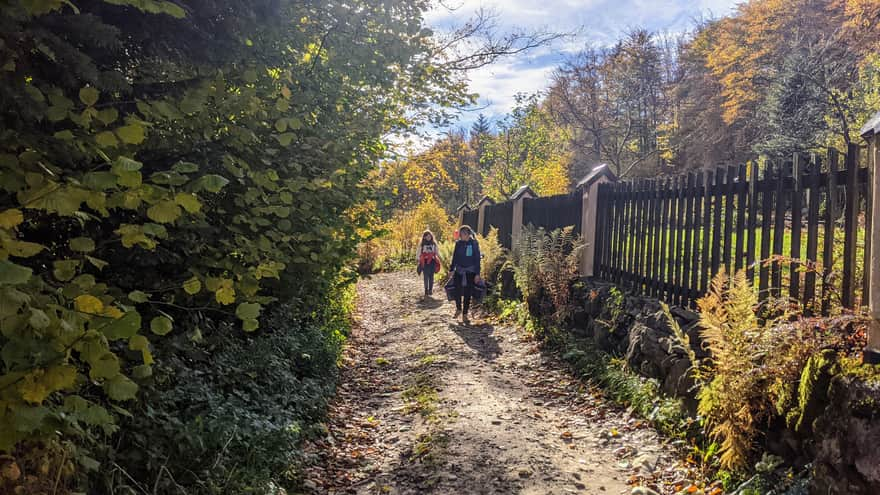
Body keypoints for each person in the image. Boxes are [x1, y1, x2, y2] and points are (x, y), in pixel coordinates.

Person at [449, 225, 481, 324]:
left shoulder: (474, 243)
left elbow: (477, 259)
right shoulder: (458, 244)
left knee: (467, 293)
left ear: (469, 234)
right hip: (459, 270)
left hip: (470, 272)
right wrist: (451, 269)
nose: (463, 236)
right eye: (461, 234)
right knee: (457, 291)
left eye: (465, 234)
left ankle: (465, 314)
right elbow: (455, 257)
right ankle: (458, 308)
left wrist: (477, 273)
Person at [416, 230, 442, 297]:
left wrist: (441, 258)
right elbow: (418, 253)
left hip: (432, 262)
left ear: (431, 236)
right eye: (427, 236)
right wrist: (418, 260)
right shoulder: (422, 244)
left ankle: (430, 290)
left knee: (431, 277)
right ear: (424, 237)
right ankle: (426, 290)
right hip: (425, 262)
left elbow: (437, 252)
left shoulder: (434, 244)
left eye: (429, 236)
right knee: (425, 277)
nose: (428, 237)